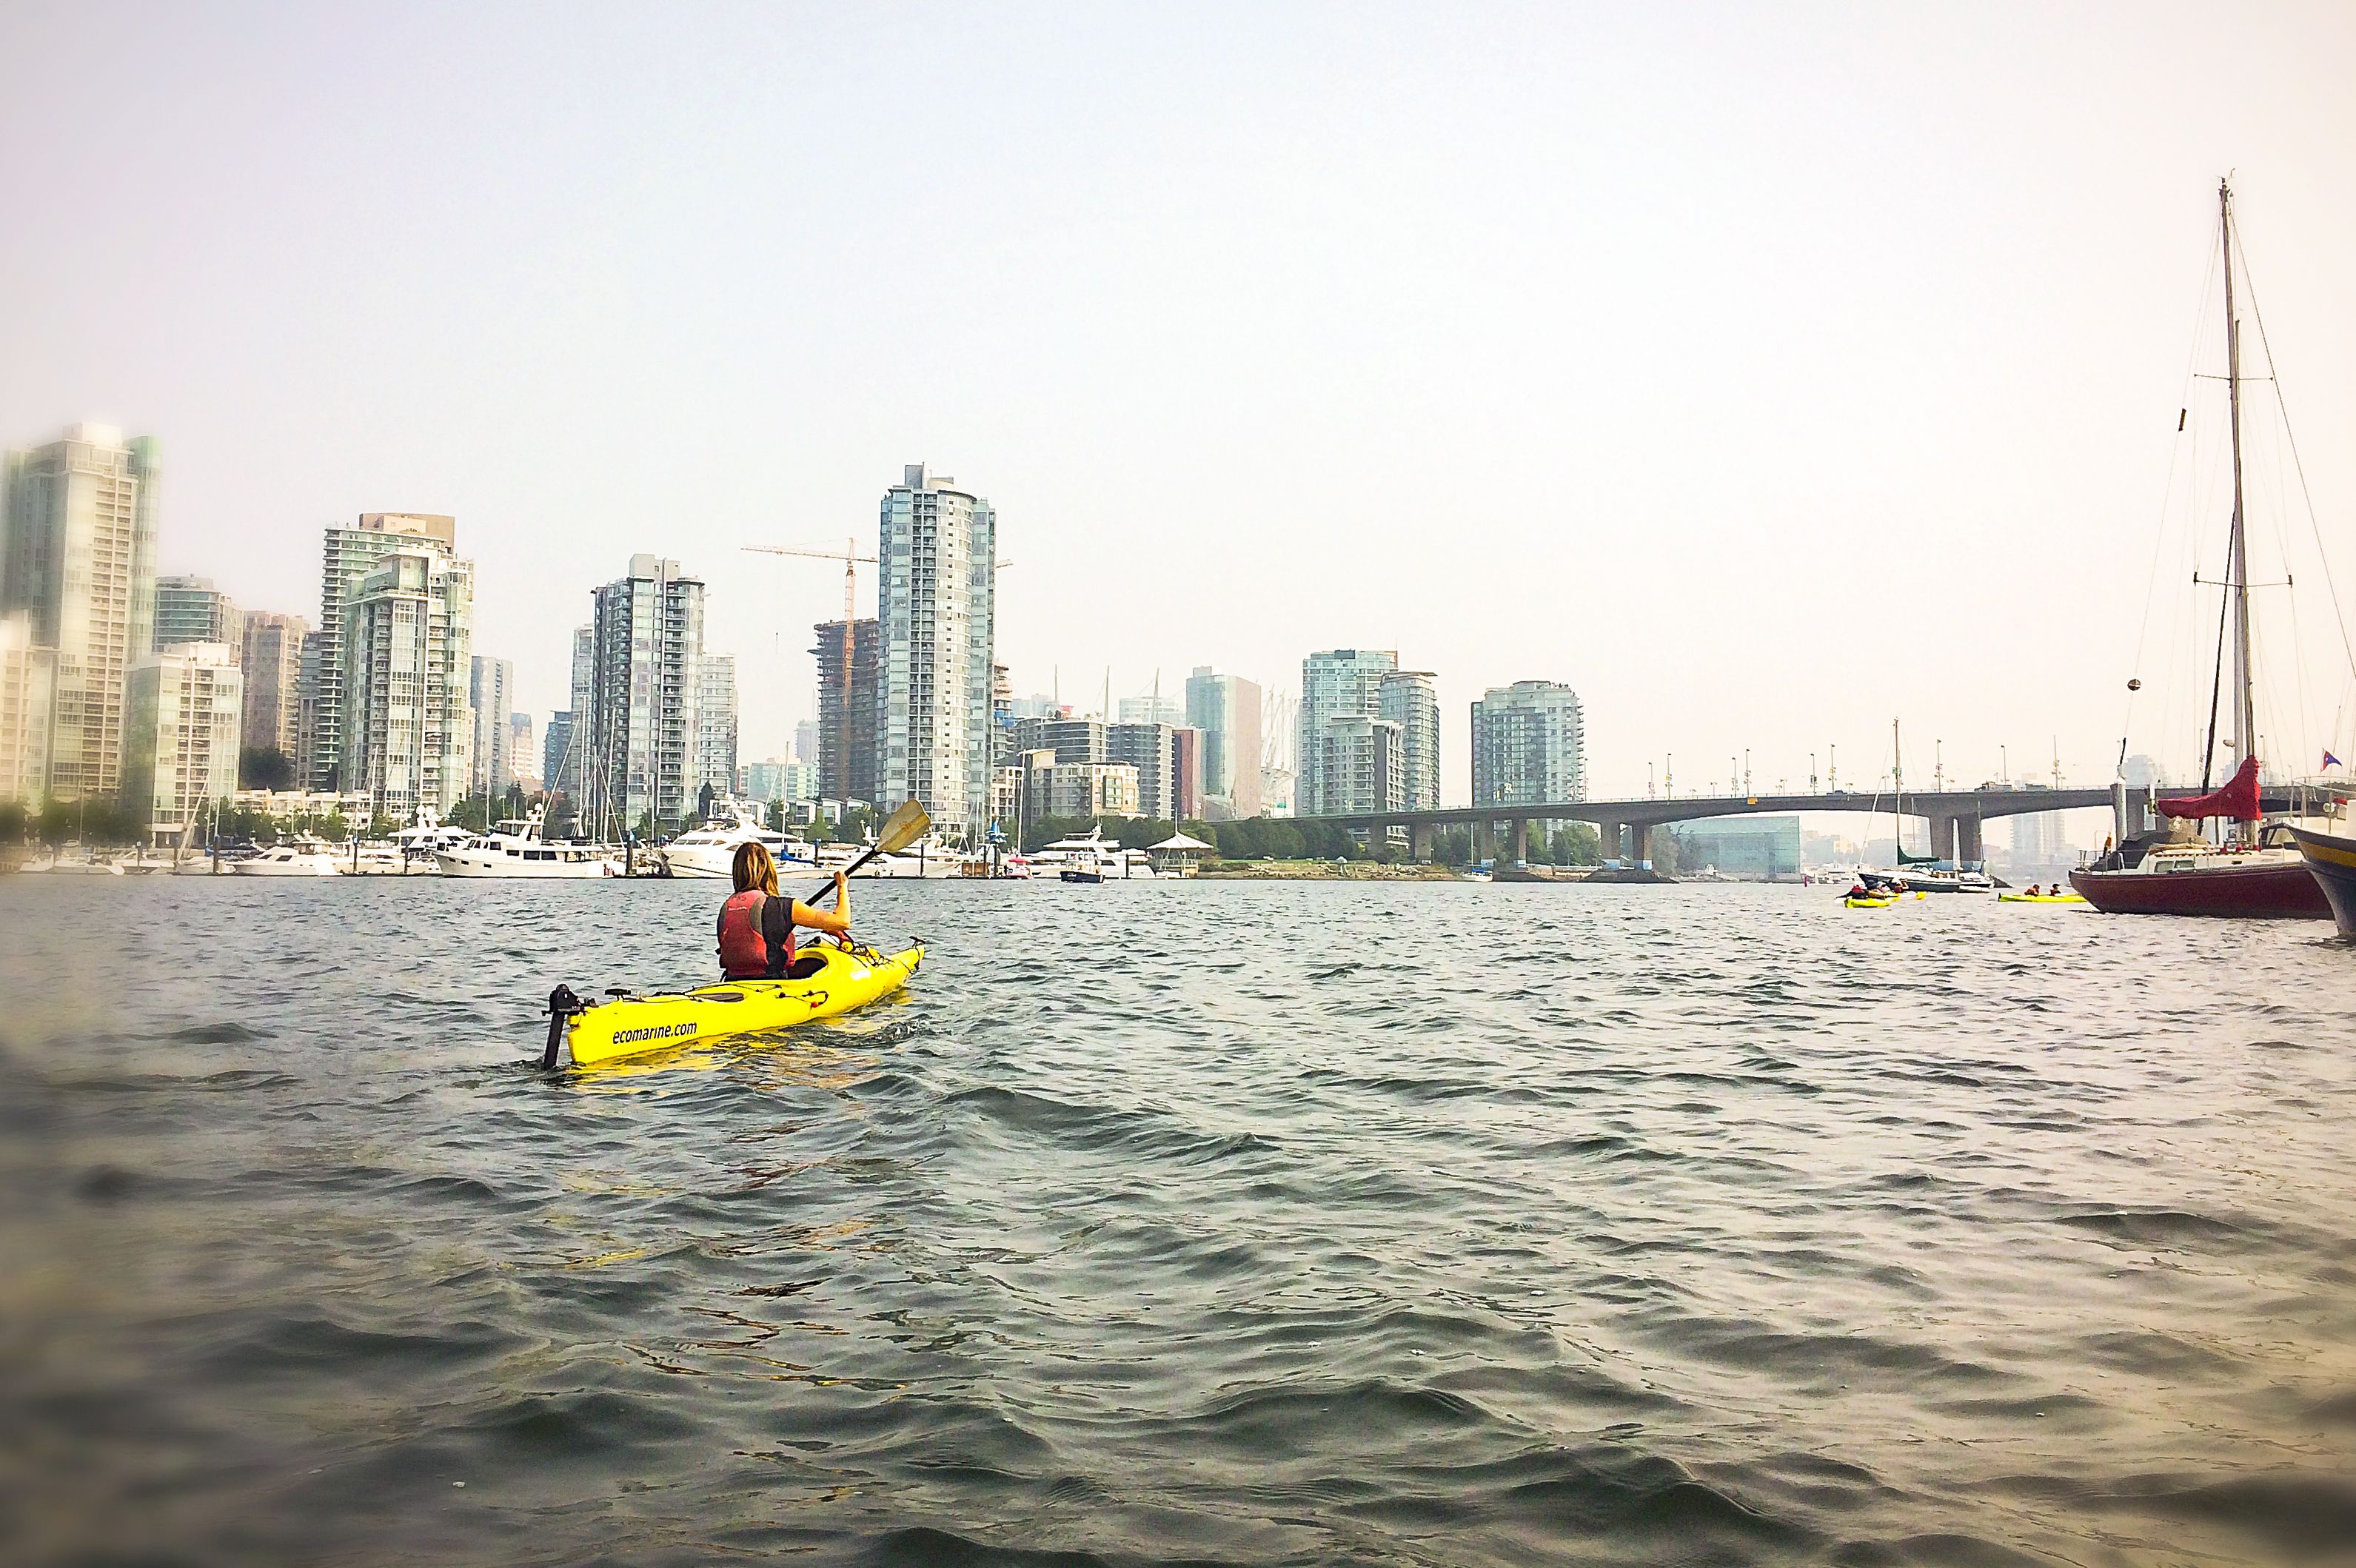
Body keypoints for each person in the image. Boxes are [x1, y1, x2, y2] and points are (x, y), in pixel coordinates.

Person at [717, 840, 850, 980]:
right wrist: (842, 886)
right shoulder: (782, 906)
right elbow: (842, 922)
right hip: (770, 982)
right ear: (768, 870)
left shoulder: (727, 908)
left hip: (732, 980)